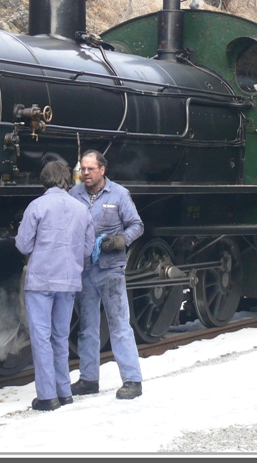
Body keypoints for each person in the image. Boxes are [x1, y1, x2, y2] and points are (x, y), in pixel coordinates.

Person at [15, 160, 95, 411]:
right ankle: (64, 391)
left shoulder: (37, 206)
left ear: (45, 180)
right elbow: (87, 249)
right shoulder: (82, 209)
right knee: (61, 337)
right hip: (69, 281)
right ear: (67, 181)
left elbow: (23, 245)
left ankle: (47, 396)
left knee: (41, 338)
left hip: (41, 280)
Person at [69, 150, 144, 400]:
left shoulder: (119, 194)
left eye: (90, 169)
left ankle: (133, 380)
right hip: (85, 270)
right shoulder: (74, 195)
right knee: (87, 326)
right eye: (83, 169)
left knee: (119, 324)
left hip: (110, 269)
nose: (85, 173)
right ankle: (89, 379)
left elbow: (137, 225)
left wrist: (121, 240)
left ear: (103, 169)